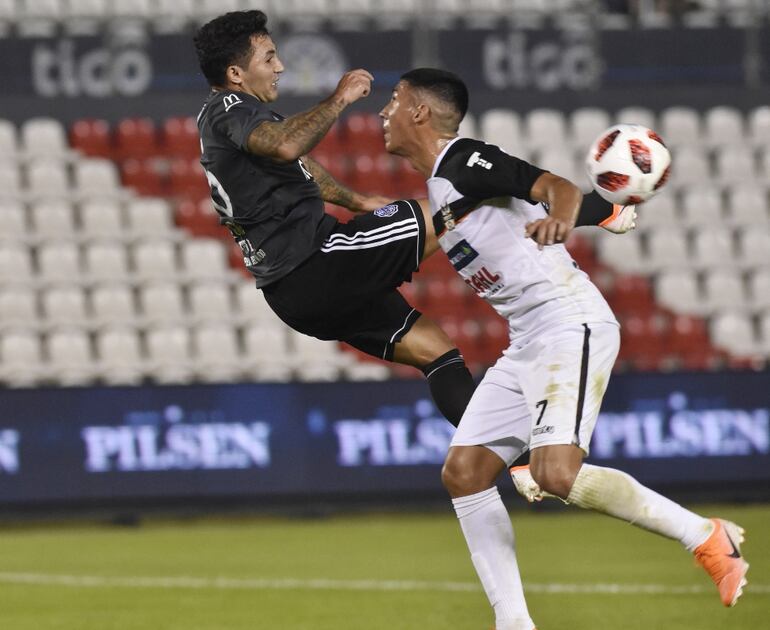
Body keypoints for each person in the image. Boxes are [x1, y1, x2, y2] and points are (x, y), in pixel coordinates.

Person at [379, 67, 749, 630]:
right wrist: (610, 214)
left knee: (554, 473)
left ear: (421, 113)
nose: (384, 112)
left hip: (567, 323)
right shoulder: (441, 188)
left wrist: (562, 215)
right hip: (528, 339)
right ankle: (514, 623)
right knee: (465, 472)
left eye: (394, 101)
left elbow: (552, 185)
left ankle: (704, 535)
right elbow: (515, 207)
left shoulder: (465, 160)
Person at [191, 10, 630, 431]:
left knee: (437, 352)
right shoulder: (232, 106)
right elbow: (287, 147)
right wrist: (340, 97)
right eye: (269, 57)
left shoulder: (225, 120)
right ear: (235, 74)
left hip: (293, 294)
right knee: (460, 200)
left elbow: (298, 166)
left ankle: (512, 460)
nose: (280, 66)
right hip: (317, 262)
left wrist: (358, 200)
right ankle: (601, 208)